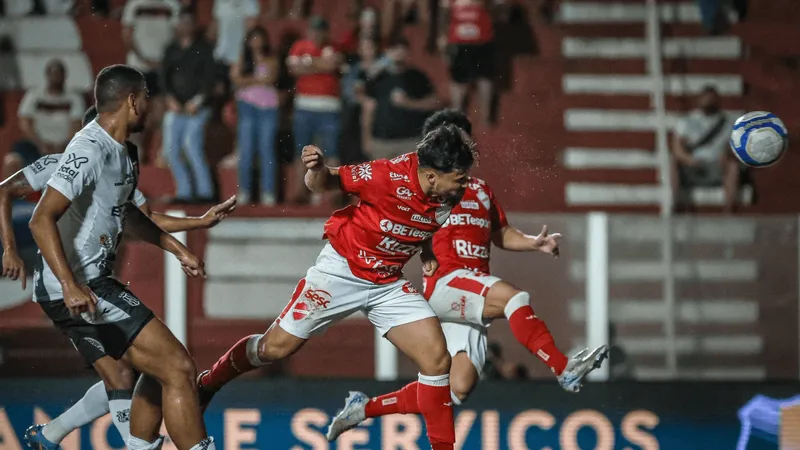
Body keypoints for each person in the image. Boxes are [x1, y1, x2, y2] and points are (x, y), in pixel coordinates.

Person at [326, 109, 609, 442]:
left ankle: (363, 408)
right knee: (516, 298)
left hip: (473, 294)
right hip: (447, 283)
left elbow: (500, 234)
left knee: (455, 389)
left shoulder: (482, 190)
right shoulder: (430, 188)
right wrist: (424, 252)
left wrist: (534, 243)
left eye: (465, 139)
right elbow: (400, 219)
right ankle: (563, 368)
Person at [197, 125, 477, 450]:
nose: (465, 182)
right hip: (341, 271)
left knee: (437, 361)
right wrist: (315, 169)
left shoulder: (448, 193)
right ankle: (207, 384)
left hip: (386, 281)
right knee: (273, 349)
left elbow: (420, 221)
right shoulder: (384, 175)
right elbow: (324, 182)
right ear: (431, 176)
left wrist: (426, 251)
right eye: (459, 177)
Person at [25, 64, 216, 450]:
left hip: (97, 282)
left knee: (153, 371)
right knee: (178, 368)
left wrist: (179, 249)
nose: (151, 107)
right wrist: (69, 285)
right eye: (146, 98)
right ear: (132, 100)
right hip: (80, 286)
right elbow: (40, 219)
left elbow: (129, 215)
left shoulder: (125, 152)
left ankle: (129, 445)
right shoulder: (88, 148)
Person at [161, 10, 217, 204]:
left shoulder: (204, 49)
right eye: (181, 22)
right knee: (171, 149)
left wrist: (198, 101)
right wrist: (170, 99)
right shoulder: (170, 49)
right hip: (175, 107)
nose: (184, 26)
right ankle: (184, 191)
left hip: (198, 107)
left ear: (194, 26)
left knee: (191, 144)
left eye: (188, 22)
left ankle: (205, 191)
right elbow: (164, 78)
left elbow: (210, 80)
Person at [286, 16, 343, 204]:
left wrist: (309, 64)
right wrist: (320, 64)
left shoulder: (334, 47)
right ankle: (300, 192)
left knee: (330, 151)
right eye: (313, 30)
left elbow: (332, 65)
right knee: (301, 152)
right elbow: (294, 70)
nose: (316, 34)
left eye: (320, 30)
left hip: (329, 107)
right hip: (304, 106)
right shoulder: (299, 46)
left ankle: (328, 194)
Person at [363, 37, 440, 160]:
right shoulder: (377, 78)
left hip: (410, 141)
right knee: (381, 179)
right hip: (381, 142)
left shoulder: (418, 77)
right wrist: (366, 139)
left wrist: (409, 103)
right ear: (387, 52)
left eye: (402, 50)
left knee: (410, 179)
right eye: (394, 49)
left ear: (408, 53)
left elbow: (435, 103)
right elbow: (368, 110)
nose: (398, 53)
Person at [8, 59, 84, 179]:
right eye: (53, 73)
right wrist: (40, 144)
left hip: (65, 146)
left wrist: (63, 145)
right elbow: (25, 123)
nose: (56, 77)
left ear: (64, 75)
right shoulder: (34, 94)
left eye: (59, 73)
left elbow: (76, 125)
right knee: (11, 161)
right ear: (47, 75)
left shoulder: (74, 97)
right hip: (36, 145)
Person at [231, 26, 281, 205]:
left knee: (266, 149)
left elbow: (271, 78)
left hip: (268, 108)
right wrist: (257, 80)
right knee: (246, 149)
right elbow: (235, 78)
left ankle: (268, 192)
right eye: (253, 39)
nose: (257, 43)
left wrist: (248, 80)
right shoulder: (243, 59)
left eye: (260, 39)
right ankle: (245, 190)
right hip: (247, 106)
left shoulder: (271, 58)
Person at [671, 85, 740, 212]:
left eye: (712, 99)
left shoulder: (728, 123)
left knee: (733, 165)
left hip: (716, 166)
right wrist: (689, 160)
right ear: (699, 100)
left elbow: (735, 148)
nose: (709, 102)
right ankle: (675, 205)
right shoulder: (686, 121)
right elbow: (677, 149)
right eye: (706, 98)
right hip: (692, 165)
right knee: (674, 162)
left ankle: (729, 209)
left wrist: (726, 155)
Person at [438, 0, 498, 124]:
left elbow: (498, 10)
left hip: (483, 40)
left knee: (485, 79)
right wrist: (442, 36)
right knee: (458, 80)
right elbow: (444, 13)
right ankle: (456, 117)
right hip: (458, 42)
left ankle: (485, 118)